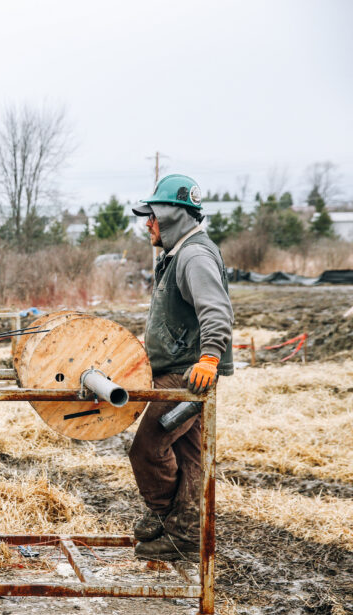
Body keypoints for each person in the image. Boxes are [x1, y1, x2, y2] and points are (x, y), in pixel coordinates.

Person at [128, 174, 234, 561]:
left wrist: (209, 357)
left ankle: (164, 518)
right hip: (183, 371)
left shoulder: (194, 256)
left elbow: (216, 310)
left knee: (148, 448)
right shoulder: (180, 254)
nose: (148, 223)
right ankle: (187, 535)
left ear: (172, 216)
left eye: (152, 215)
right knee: (191, 458)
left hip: (187, 377)